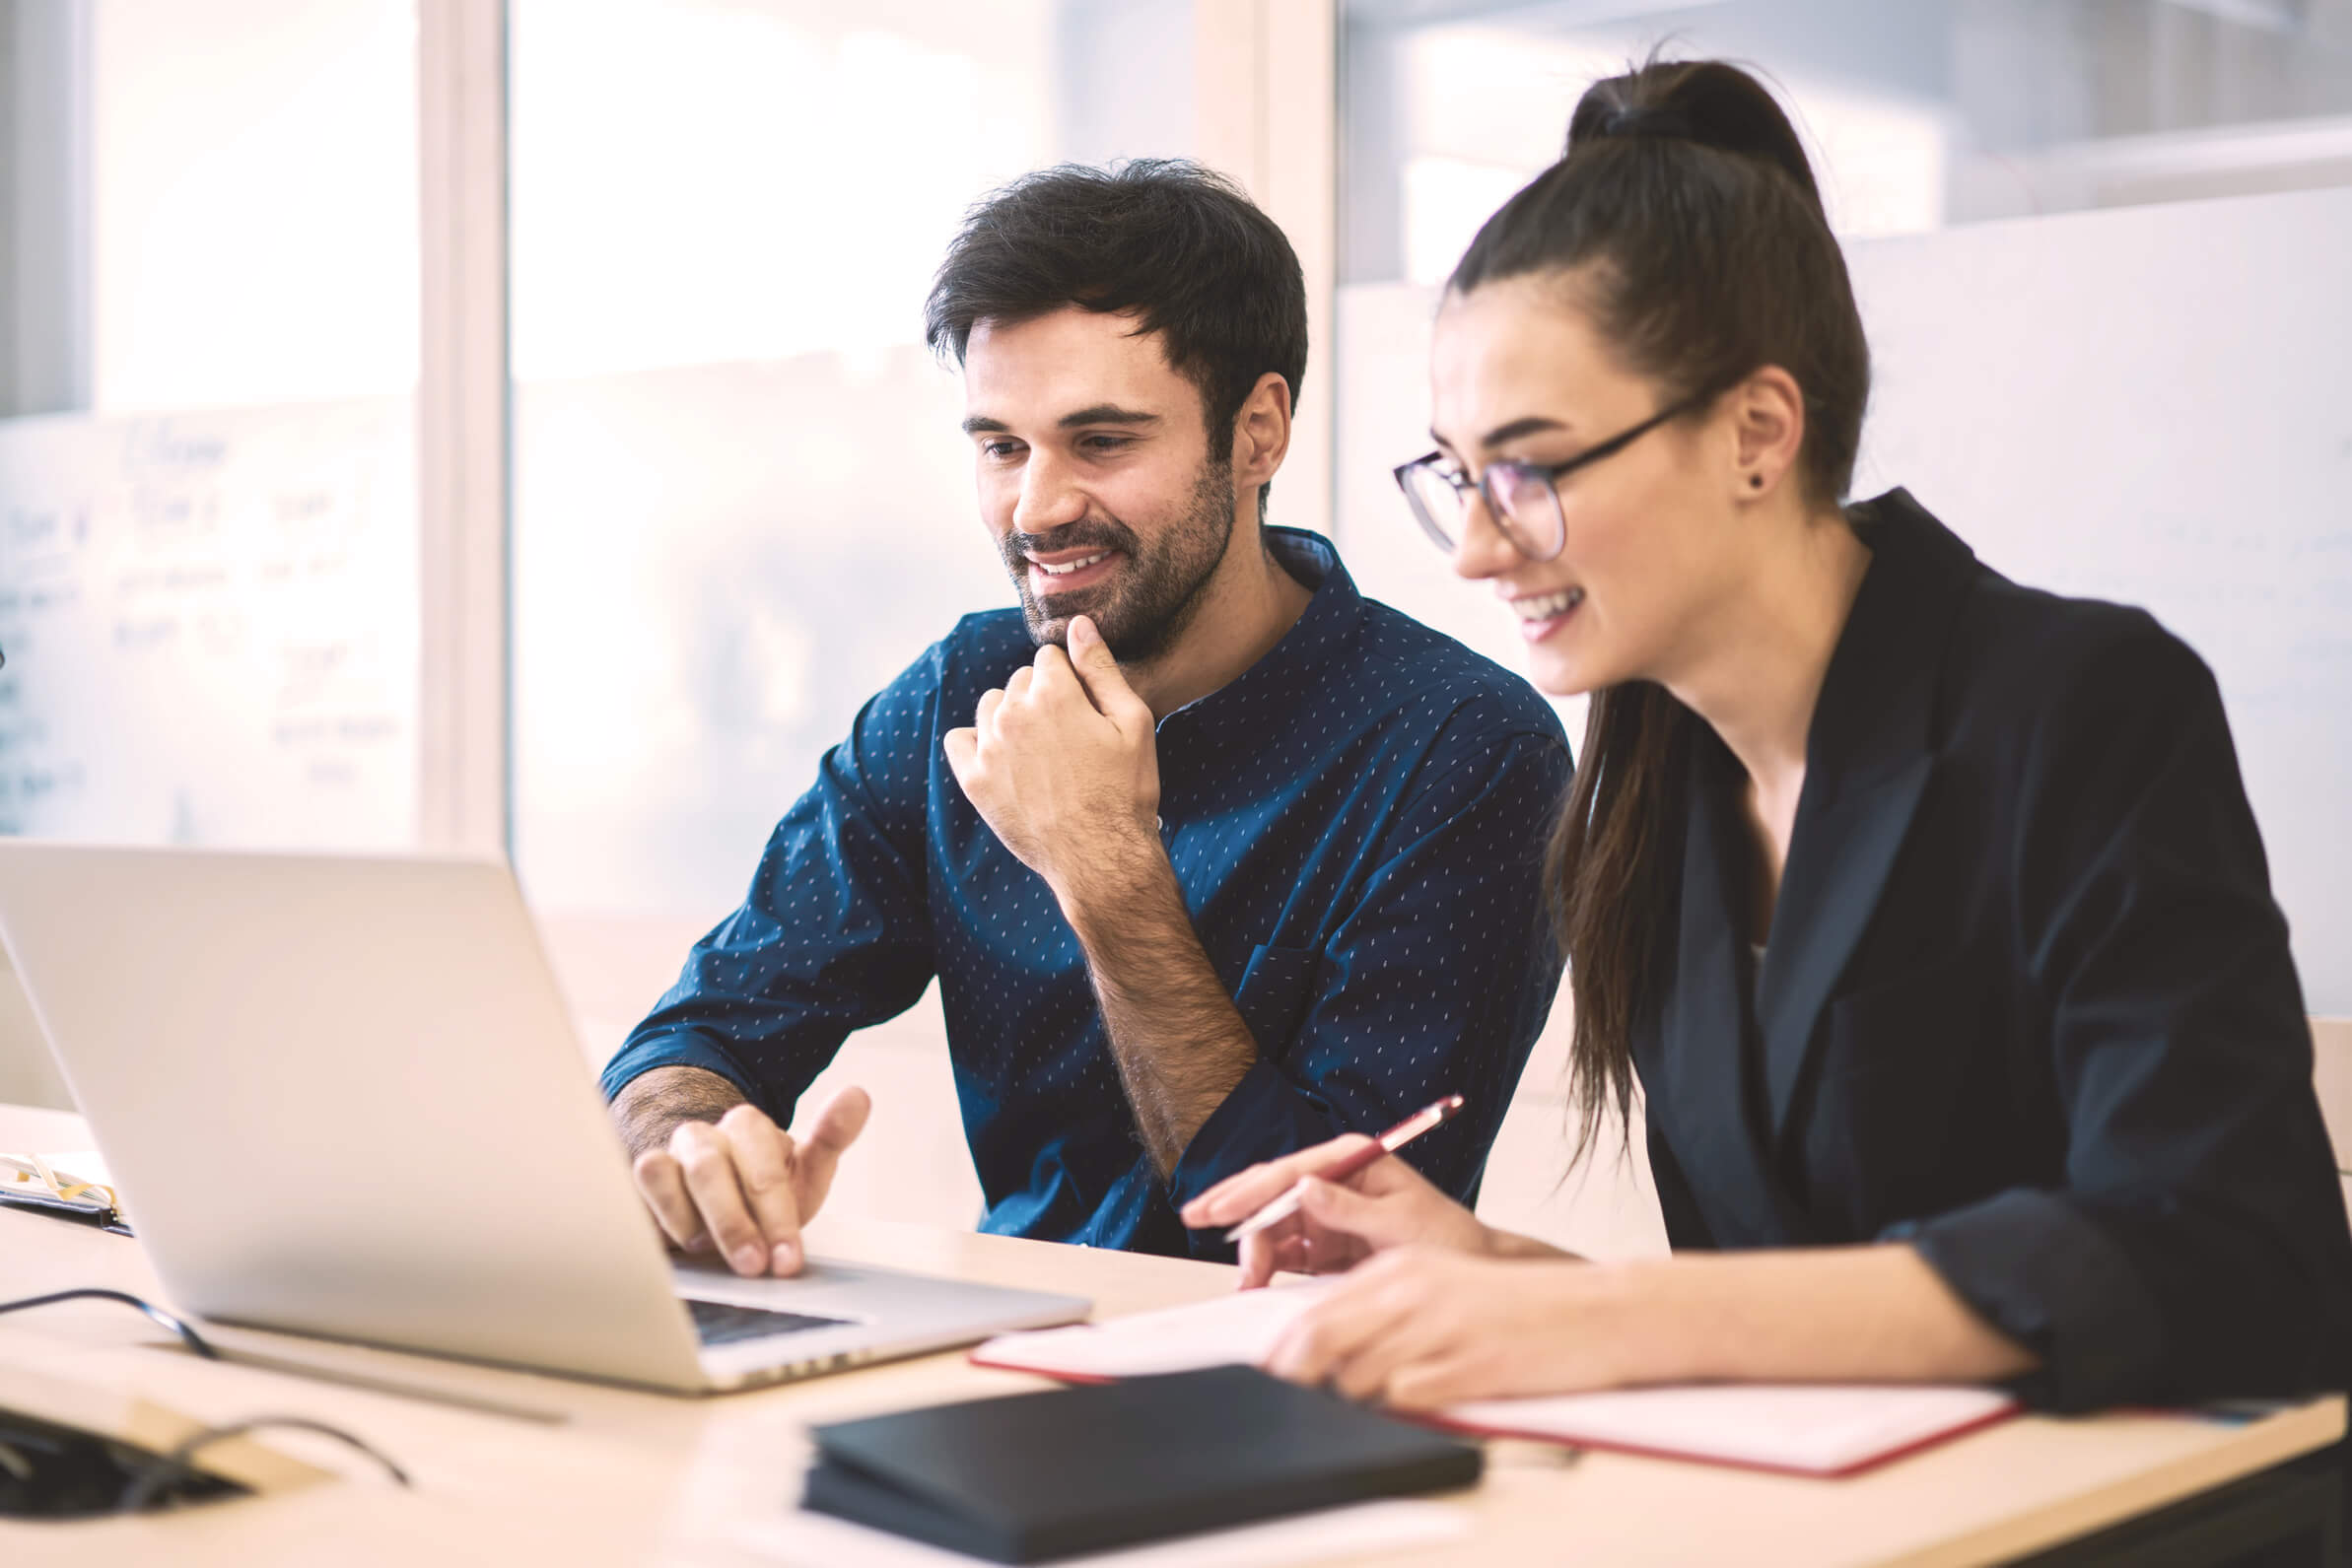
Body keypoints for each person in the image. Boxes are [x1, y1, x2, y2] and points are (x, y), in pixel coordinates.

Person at [1182, 59, 2352, 1414]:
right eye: (1458, 476)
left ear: (1755, 430)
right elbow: (1782, 1306)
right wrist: (1479, 1262)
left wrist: (1605, 1310)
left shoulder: (2077, 703)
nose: (1479, 548)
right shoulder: (1653, 798)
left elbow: (2229, 1255)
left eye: (1531, 469)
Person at [604, 161, 1571, 1278]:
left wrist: (1105, 873)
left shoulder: (1461, 753)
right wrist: (685, 1145)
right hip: (992, 1358)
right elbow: (695, 1032)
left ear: (1257, 433)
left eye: (1102, 442)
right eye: (1001, 446)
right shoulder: (958, 693)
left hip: (1288, 1389)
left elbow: (1327, 1245)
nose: (1036, 507)